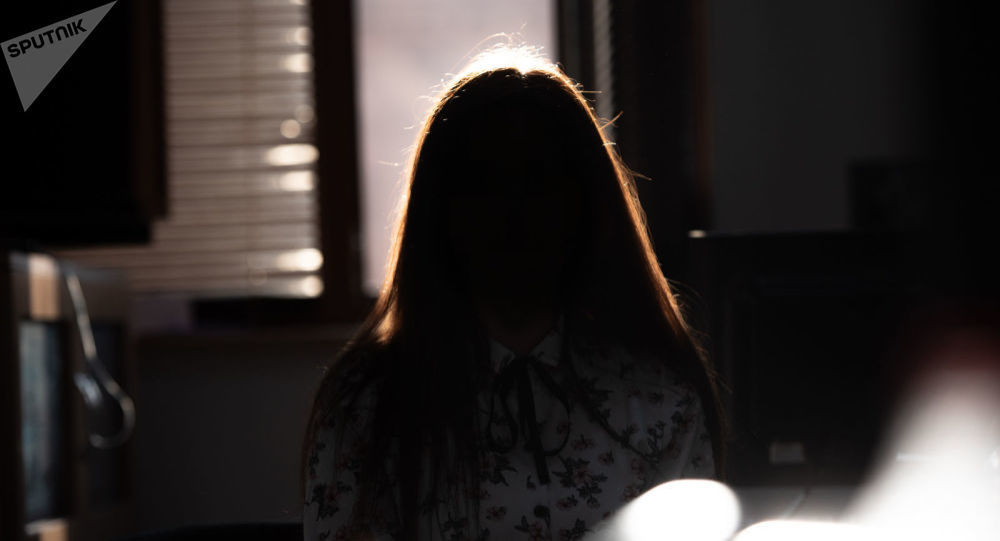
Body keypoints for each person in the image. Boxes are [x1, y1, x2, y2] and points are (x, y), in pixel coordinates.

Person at [301, 46, 727, 541]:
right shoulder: (368, 407)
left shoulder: (658, 398)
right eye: (483, 183)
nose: (512, 212)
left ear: (585, 206)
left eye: (537, 181)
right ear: (440, 210)